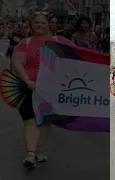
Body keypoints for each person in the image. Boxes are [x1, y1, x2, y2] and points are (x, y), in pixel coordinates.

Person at [11, 10, 74, 168]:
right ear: (32, 24)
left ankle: (38, 150)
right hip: (27, 88)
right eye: (37, 22)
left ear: (49, 25)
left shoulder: (59, 41)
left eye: (43, 22)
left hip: (51, 89)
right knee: (30, 120)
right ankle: (31, 153)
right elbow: (16, 62)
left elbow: (78, 55)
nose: (39, 25)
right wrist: (27, 80)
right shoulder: (25, 43)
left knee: (46, 120)